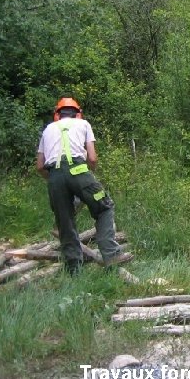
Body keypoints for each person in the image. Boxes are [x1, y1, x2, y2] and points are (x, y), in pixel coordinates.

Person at [36, 97, 132, 274]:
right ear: (78, 113)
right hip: (79, 170)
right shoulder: (84, 125)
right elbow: (93, 159)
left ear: (57, 114)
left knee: (65, 222)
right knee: (104, 207)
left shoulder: (48, 129)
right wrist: (85, 176)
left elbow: (40, 166)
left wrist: (58, 178)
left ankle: (74, 272)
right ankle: (111, 255)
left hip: (54, 178)